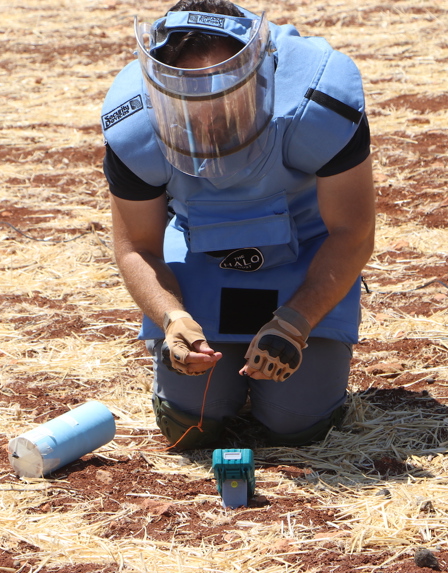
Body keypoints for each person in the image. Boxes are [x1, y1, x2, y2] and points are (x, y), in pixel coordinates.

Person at [100, 0, 375, 449]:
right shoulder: (135, 129)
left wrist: (295, 323)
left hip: (305, 258)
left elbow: (354, 233)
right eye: (189, 101)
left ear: (261, 74)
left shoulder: (318, 107)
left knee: (296, 425)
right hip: (198, 258)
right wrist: (173, 319)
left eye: (224, 93)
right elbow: (137, 246)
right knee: (190, 424)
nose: (208, 118)